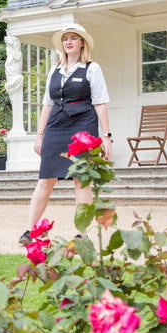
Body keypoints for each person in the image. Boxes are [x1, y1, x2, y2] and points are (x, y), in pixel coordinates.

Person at [20, 24, 111, 245]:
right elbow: (47, 105)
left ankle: (82, 233)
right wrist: (39, 135)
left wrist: (107, 136)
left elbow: (100, 103)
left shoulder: (91, 68)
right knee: (45, 180)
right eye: (65, 39)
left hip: (83, 127)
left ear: (82, 43)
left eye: (73, 38)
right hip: (56, 128)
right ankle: (31, 230)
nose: (68, 42)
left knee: (81, 180)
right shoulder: (54, 71)